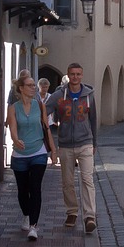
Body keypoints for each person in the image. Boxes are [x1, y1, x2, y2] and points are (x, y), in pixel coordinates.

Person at [45, 63, 98, 233]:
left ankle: (90, 216)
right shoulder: (59, 95)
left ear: (82, 76)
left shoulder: (89, 95)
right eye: (72, 74)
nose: (75, 77)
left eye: (78, 74)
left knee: (87, 179)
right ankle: (72, 212)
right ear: (68, 76)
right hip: (66, 144)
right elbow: (43, 111)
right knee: (67, 182)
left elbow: (93, 119)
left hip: (85, 142)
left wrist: (94, 142)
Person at [5, 74, 54, 240]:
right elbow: (12, 127)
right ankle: (26, 214)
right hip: (20, 154)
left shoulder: (39, 105)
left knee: (35, 187)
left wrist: (53, 150)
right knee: (22, 191)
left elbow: (46, 128)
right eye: (30, 85)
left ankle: (34, 226)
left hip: (38, 151)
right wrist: (15, 139)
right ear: (21, 88)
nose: (34, 88)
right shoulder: (13, 108)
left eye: (34, 85)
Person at [38, 78, 58, 166]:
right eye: (43, 87)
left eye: (46, 87)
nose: (45, 89)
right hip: (38, 123)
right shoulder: (36, 97)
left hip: (49, 122)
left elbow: (54, 109)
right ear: (39, 87)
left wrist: (55, 119)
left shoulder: (50, 97)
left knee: (49, 138)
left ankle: (49, 153)